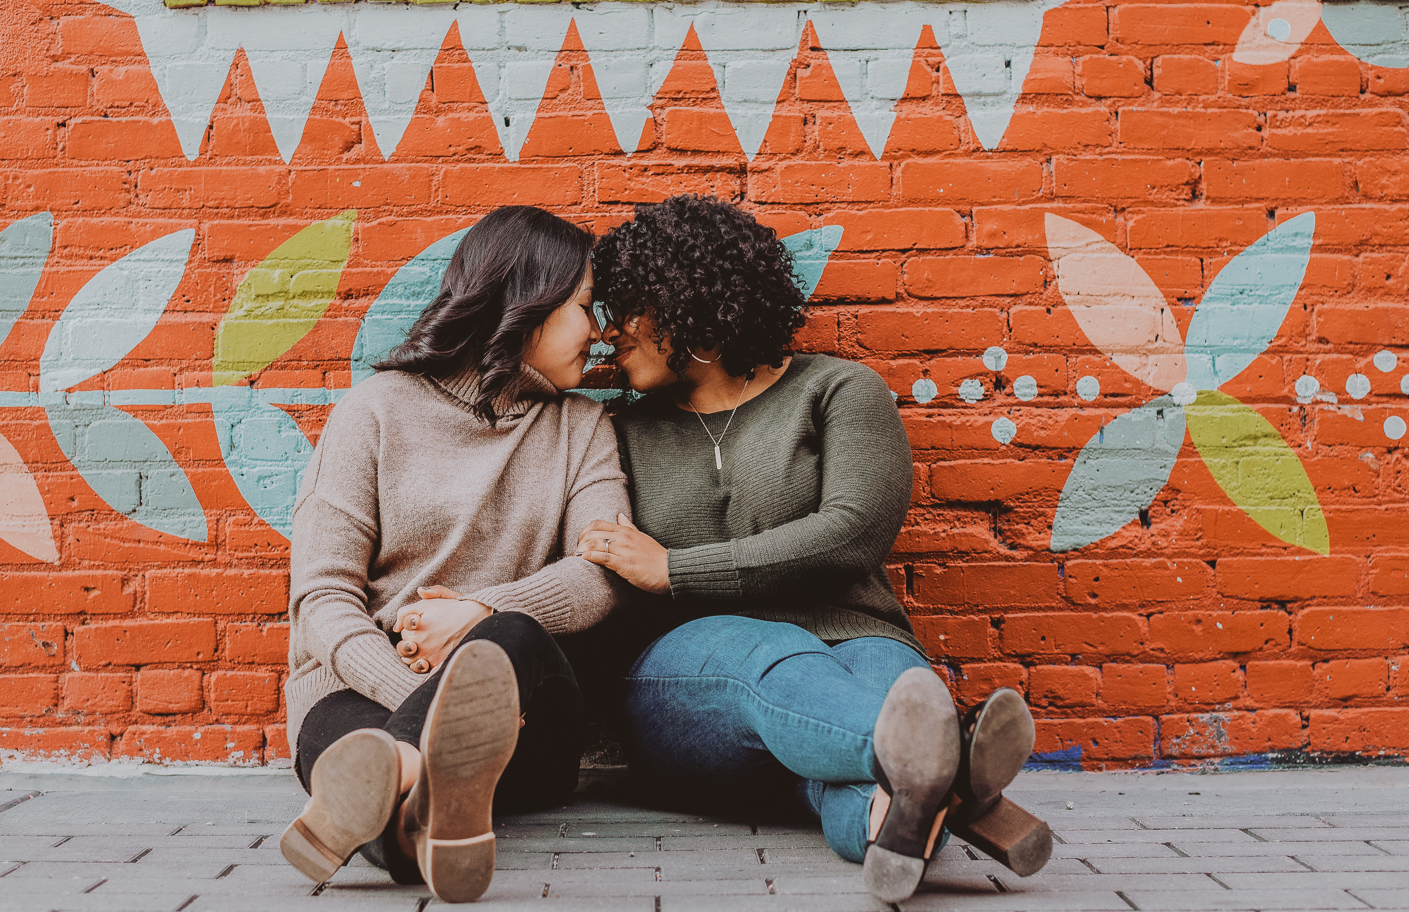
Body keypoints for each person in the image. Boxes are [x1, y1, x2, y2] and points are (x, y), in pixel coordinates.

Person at [578, 195, 1053, 903]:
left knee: (862, 748)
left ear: (686, 301)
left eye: (628, 307)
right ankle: (951, 760)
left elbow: (850, 535)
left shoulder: (837, 392)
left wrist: (674, 568)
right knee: (766, 659)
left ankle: (900, 815)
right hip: (689, 682)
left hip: (855, 637)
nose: (609, 331)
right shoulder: (617, 430)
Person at [280, 205, 632, 903]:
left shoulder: (581, 426)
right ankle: (421, 817)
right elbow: (321, 598)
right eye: (586, 308)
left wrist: (476, 612)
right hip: (361, 692)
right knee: (361, 760)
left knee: (507, 632)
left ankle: (395, 790)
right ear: (525, 303)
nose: (597, 332)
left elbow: (601, 575)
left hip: (525, 714)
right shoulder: (375, 411)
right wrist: (432, 703)